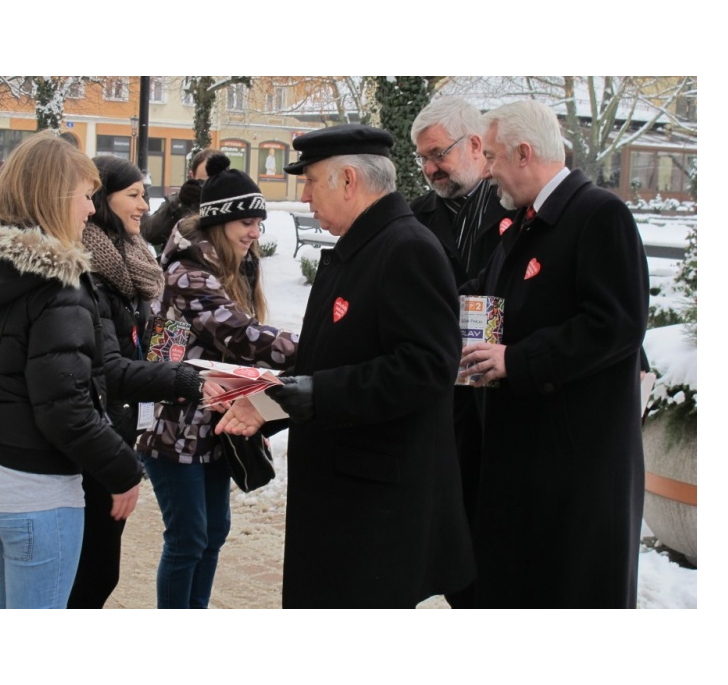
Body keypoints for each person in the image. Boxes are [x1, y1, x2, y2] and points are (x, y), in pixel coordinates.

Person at [254, 124, 474, 608]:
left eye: (311, 181)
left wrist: (315, 393)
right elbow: (336, 356)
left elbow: (427, 367)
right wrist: (268, 399)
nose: (306, 196)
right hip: (348, 493)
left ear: (349, 180)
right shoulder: (364, 246)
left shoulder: (405, 248)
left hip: (376, 507)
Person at [461, 100, 649, 607]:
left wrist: (516, 360)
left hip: (577, 477)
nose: (488, 169)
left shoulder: (599, 215)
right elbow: (486, 296)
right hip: (528, 470)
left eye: (494, 156)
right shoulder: (525, 223)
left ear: (524, 153)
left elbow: (617, 325)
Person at [0, 132, 144, 609]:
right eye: (83, 196)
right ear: (55, 197)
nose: (90, 210)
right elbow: (66, 408)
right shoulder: (59, 283)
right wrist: (124, 470)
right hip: (38, 492)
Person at [135, 153, 298, 609]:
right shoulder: (187, 273)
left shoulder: (232, 268)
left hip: (211, 422)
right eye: (246, 221)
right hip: (170, 425)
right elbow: (241, 336)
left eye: (259, 223)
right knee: (188, 538)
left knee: (212, 534)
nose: (254, 232)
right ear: (218, 221)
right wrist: (322, 344)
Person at [68, 156, 211, 609]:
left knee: (99, 571)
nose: (143, 205)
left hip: (124, 427)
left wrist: (183, 328)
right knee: (90, 573)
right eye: (133, 195)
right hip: (94, 434)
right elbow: (112, 365)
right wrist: (184, 378)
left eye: (145, 194)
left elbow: (150, 344)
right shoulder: (88, 269)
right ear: (100, 199)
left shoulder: (136, 263)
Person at [409, 97, 514, 609]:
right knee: (453, 532)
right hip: (444, 395)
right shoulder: (416, 216)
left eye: (437, 154)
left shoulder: (517, 204)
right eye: (422, 160)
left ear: (475, 145)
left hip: (509, 395)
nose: (430, 169)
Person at [141, 147, 218, 253]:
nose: (210, 188)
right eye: (203, 182)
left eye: (215, 181)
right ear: (192, 176)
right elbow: (151, 233)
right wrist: (179, 203)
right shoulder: (181, 201)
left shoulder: (236, 206)